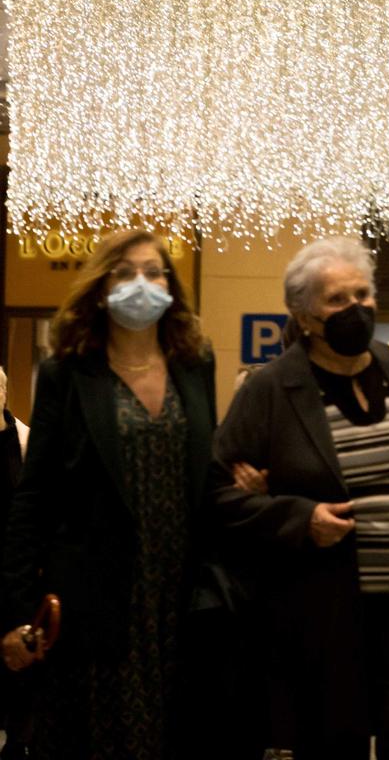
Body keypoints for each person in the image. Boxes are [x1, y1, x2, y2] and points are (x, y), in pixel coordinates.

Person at [211, 235, 389, 760]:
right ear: (305, 314)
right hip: (324, 605)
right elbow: (218, 492)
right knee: (331, 742)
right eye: (337, 300)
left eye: (362, 294)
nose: (355, 308)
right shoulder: (271, 388)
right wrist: (298, 517)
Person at [0, 228, 217, 760]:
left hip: (180, 598)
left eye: (153, 271)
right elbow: (33, 500)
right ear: (101, 288)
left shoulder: (195, 368)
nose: (141, 283)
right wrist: (14, 612)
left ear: (170, 287)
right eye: (125, 273)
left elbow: (204, 472)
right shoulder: (67, 374)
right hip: (97, 601)